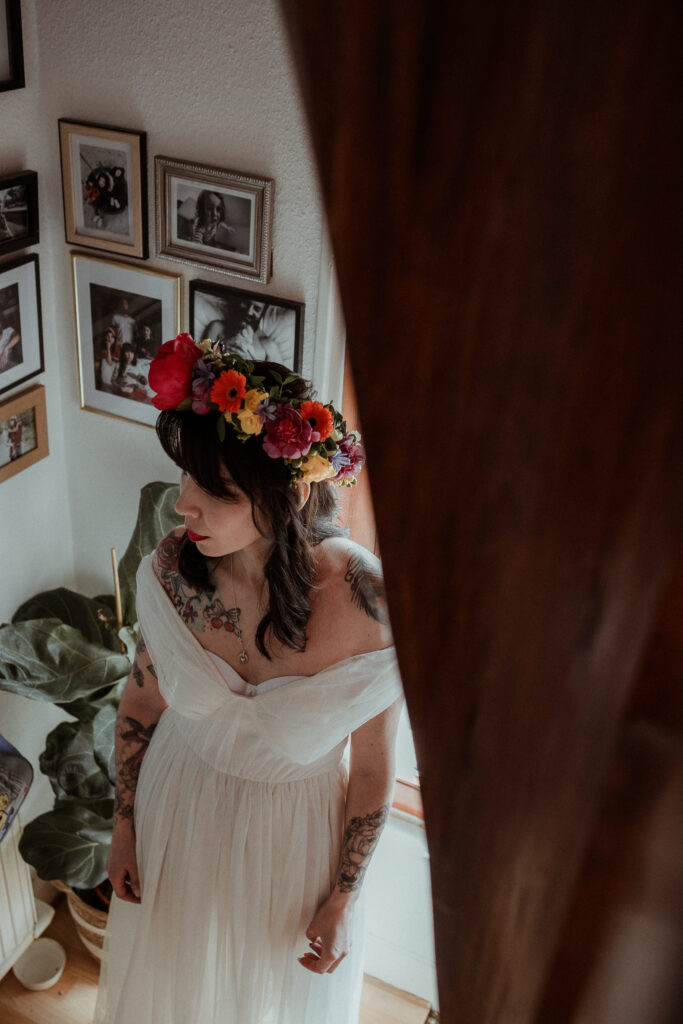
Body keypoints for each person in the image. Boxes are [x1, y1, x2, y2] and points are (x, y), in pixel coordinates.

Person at [95, 334, 401, 1024]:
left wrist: (341, 897)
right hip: (178, 808)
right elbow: (141, 699)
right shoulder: (170, 574)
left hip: (292, 838)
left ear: (288, 494)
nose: (183, 507)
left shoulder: (368, 604)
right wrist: (124, 829)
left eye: (217, 490)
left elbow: (376, 767)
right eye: (185, 478)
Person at [96, 326, 119, 392]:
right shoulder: (104, 348)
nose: (109, 338)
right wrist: (108, 348)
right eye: (108, 336)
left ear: (115, 338)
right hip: (106, 377)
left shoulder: (117, 347)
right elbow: (109, 363)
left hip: (114, 377)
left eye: (112, 336)